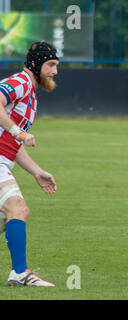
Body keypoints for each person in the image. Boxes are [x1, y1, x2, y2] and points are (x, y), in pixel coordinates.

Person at [0, 41, 58, 286]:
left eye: (56, 65)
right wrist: (19, 131)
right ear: (36, 64)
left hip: (4, 159)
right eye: (50, 64)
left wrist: (37, 171)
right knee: (18, 210)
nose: (55, 71)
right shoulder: (21, 82)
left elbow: (12, 143)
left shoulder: (31, 93)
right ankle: (20, 273)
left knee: (6, 218)